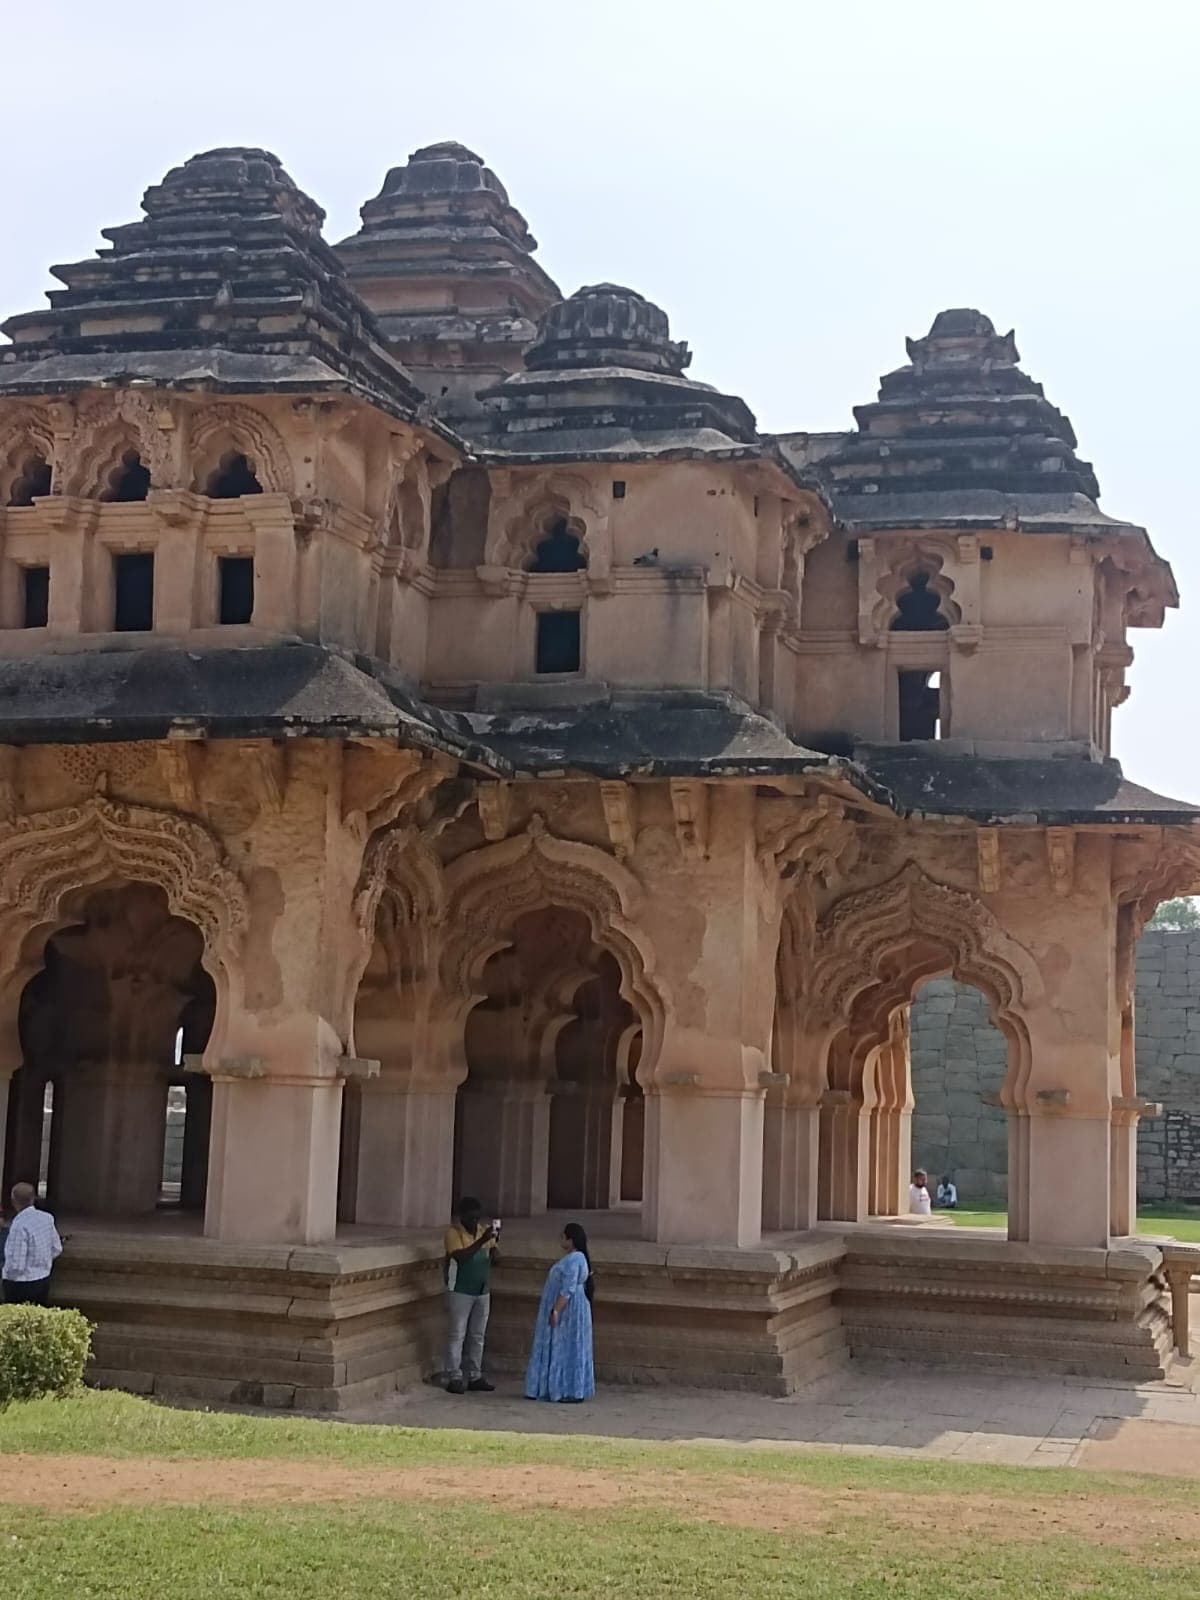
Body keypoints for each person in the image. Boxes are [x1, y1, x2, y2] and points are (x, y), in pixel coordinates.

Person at [524, 1221, 595, 1404]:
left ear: (570, 1240)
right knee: (565, 1346)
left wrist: (556, 1309)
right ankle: (562, 1387)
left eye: (563, 1236)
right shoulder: (576, 1258)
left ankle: (567, 1389)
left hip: (569, 1309)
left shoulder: (575, 1259)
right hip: (571, 1307)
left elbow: (568, 1288)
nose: (561, 1240)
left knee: (565, 1346)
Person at [442, 1195, 498, 1395]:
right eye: (470, 1218)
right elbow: (461, 1257)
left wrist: (494, 1245)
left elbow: (495, 1256)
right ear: (462, 1217)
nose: (474, 1222)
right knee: (457, 1333)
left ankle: (475, 1374)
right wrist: (482, 1241)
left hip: (482, 1290)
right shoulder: (453, 1233)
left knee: (477, 1334)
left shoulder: (483, 1232)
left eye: (477, 1218)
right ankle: (453, 1375)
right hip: (460, 1289)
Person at [1, 1183, 62, 1304]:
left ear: (13, 1202)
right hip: (43, 1279)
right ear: (33, 1198)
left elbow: (16, 1265)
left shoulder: (19, 1225)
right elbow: (57, 1248)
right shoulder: (47, 1218)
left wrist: (6, 1274)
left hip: (20, 1284)